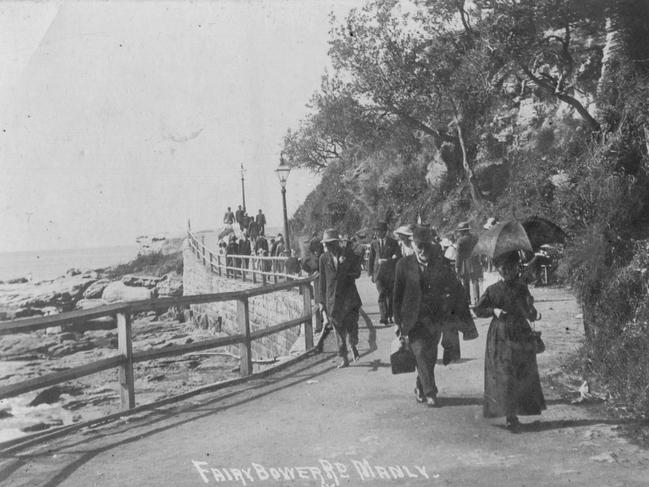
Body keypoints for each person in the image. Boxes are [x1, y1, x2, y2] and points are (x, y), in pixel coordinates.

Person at [393, 225, 475, 407]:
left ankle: (420, 386)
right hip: (412, 320)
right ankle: (431, 392)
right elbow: (397, 296)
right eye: (419, 246)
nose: (423, 250)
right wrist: (397, 322)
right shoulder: (403, 265)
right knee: (420, 352)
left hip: (435, 320)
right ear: (412, 245)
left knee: (429, 356)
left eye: (426, 246)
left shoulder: (441, 265)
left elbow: (455, 289)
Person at [473, 251, 546, 432]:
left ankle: (513, 414)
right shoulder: (492, 290)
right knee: (505, 374)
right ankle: (509, 415)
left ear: (516, 269)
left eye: (510, 268)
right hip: (501, 335)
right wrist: (494, 311)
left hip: (519, 333)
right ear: (499, 271)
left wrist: (533, 311)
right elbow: (478, 309)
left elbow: (529, 311)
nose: (507, 271)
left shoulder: (522, 288)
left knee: (519, 373)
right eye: (503, 269)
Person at [318, 228, 362, 368]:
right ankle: (344, 357)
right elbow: (322, 282)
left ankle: (353, 345)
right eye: (327, 244)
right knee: (338, 329)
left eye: (331, 243)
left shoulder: (348, 254)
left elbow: (357, 273)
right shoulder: (323, 259)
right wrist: (321, 302)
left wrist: (346, 265)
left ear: (337, 243)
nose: (329, 246)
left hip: (349, 297)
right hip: (333, 299)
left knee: (352, 325)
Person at [368, 222, 402, 324]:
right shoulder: (373, 243)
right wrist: (371, 273)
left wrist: (388, 260)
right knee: (382, 293)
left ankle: (390, 315)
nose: (377, 233)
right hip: (378, 273)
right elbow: (371, 258)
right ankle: (384, 316)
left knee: (390, 295)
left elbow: (398, 255)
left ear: (384, 232)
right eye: (376, 231)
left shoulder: (393, 242)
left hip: (390, 273)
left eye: (379, 231)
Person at [455, 221, 482, 304]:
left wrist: (457, 266)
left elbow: (458, 255)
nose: (459, 233)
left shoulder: (460, 241)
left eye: (460, 231)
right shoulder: (475, 238)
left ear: (462, 231)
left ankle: (468, 300)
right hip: (474, 261)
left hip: (464, 263)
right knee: (475, 281)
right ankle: (477, 299)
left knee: (465, 282)